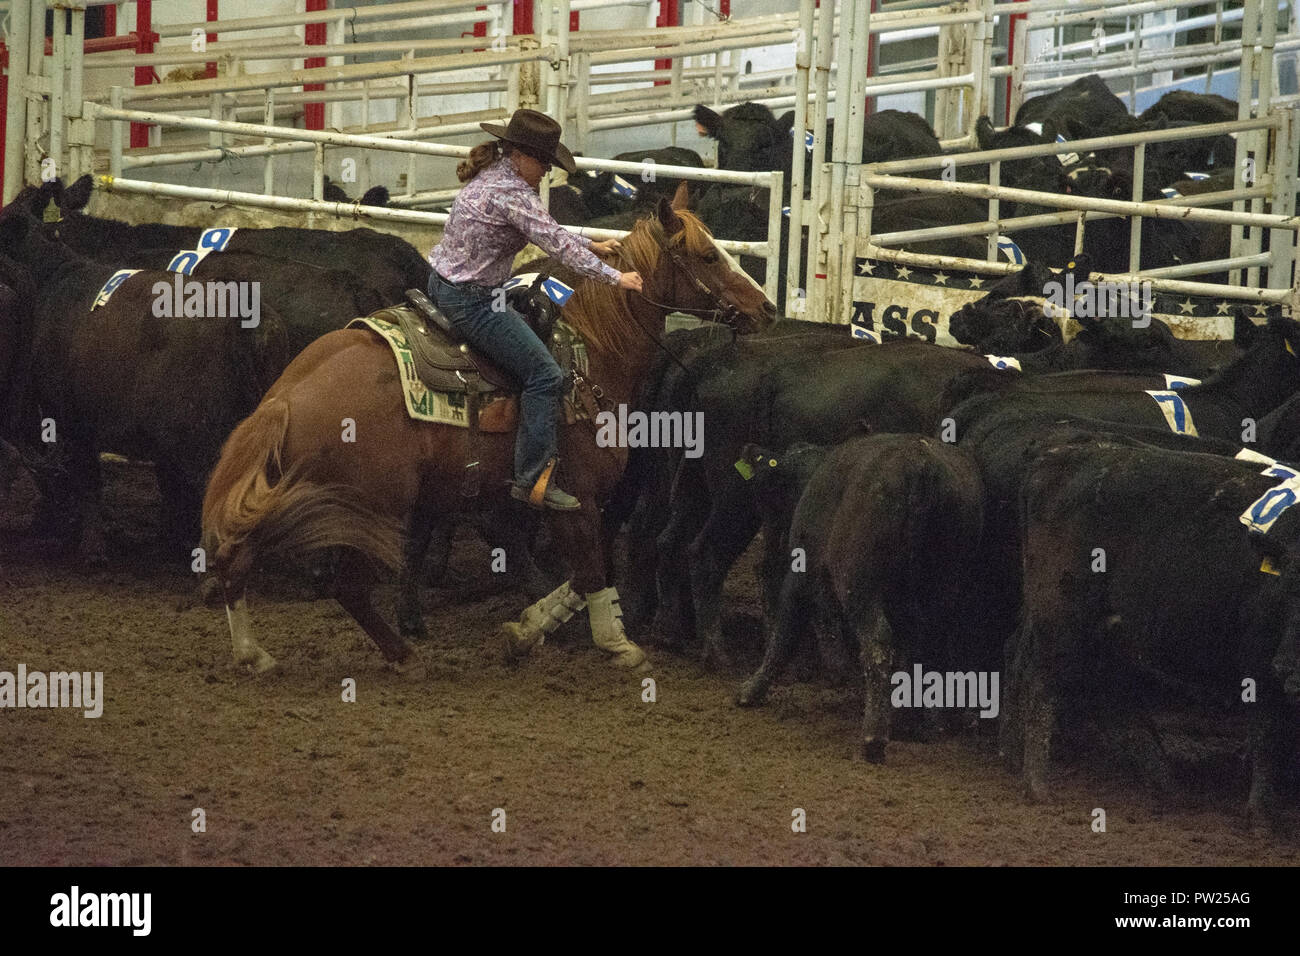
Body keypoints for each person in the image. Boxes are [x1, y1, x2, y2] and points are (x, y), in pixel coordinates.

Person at [426, 109, 644, 511]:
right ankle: (533, 478)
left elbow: (545, 228)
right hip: (474, 301)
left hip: (440, 284)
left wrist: (590, 243)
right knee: (545, 374)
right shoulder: (513, 194)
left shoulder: (492, 178)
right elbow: (554, 245)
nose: (547, 171)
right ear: (522, 154)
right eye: (544, 161)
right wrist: (617, 279)